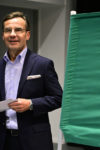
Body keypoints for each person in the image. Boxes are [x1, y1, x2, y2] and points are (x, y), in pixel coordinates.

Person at [0, 11, 62, 150]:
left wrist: (31, 104)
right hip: (4, 141)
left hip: (34, 141)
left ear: (27, 35)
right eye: (8, 30)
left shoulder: (43, 64)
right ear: (3, 35)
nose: (13, 34)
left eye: (18, 30)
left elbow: (58, 98)